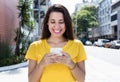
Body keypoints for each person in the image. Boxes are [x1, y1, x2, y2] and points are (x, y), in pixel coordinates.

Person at [25, 4, 87, 82]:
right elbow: (31, 80)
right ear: (47, 23)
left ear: (66, 23)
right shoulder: (34, 46)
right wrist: (41, 64)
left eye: (61, 22)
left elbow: (82, 79)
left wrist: (71, 64)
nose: (57, 26)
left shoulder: (77, 45)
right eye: (53, 22)